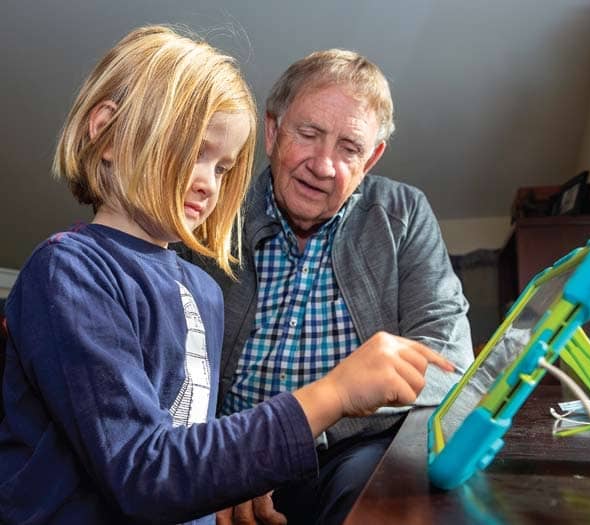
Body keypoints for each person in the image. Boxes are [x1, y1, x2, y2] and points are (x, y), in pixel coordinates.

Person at [0, 26, 456, 525]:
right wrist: (327, 399)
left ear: (370, 159)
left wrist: (243, 462)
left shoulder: (200, 291)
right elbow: (146, 466)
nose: (208, 183)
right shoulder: (73, 271)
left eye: (223, 168)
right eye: (193, 150)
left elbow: (185, 439)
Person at [178, 49, 474, 525]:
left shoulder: (404, 214)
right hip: (230, 449)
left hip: (355, 450)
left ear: (371, 157)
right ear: (273, 133)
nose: (324, 165)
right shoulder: (213, 209)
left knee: (383, 495)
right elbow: (172, 367)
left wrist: (291, 437)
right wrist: (229, 460)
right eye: (309, 134)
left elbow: (446, 360)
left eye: (349, 148)